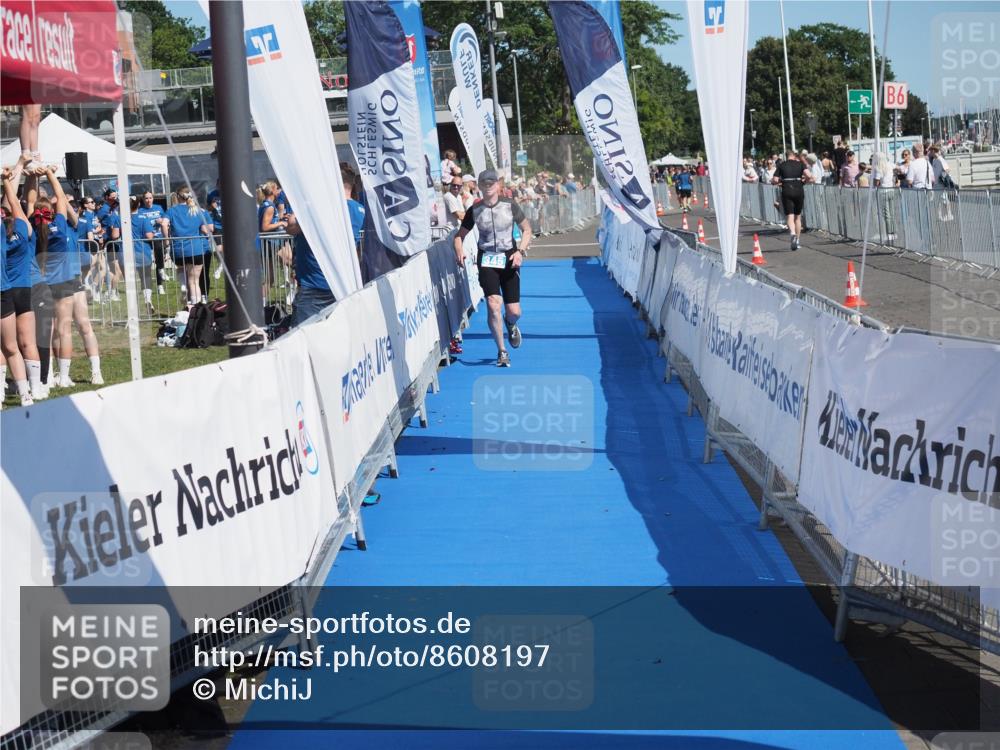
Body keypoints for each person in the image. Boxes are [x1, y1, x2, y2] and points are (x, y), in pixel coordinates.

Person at [453, 169, 532, 368]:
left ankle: (511, 323)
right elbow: (459, 235)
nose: (488, 187)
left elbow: (527, 230)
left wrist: (520, 252)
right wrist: (459, 250)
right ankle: (502, 351)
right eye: (484, 184)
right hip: (487, 259)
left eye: (491, 183)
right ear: (479, 186)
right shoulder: (474, 210)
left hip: (509, 258)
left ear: (498, 185)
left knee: (514, 311)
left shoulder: (510, 205)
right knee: (493, 304)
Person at [2, 158, 44, 399]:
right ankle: (35, 388)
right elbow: (20, 205)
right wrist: (8, 182)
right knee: (27, 342)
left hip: (6, 289)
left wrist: (15, 170)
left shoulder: (1, 237)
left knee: (6, 346)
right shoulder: (23, 229)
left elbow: (12, 205)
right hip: (24, 289)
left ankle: (7, 389)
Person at [165, 187, 213, 305]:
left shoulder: (172, 210)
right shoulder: (198, 211)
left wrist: (166, 240)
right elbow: (207, 229)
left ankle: (183, 286)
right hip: (196, 249)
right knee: (195, 281)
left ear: (178, 196)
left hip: (178, 249)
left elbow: (163, 223)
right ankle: (195, 308)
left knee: (182, 269)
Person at [286, 214, 335, 327]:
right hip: (335, 285)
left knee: (300, 335)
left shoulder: (309, 212)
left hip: (313, 287)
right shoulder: (340, 212)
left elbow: (290, 227)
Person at [772, 149, 811, 250]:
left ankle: (792, 234)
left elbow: (775, 180)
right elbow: (809, 176)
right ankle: (797, 241)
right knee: (798, 217)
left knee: (790, 216)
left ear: (786, 156)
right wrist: (803, 182)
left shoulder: (781, 165)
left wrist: (780, 182)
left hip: (787, 190)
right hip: (799, 190)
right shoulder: (800, 164)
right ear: (794, 156)